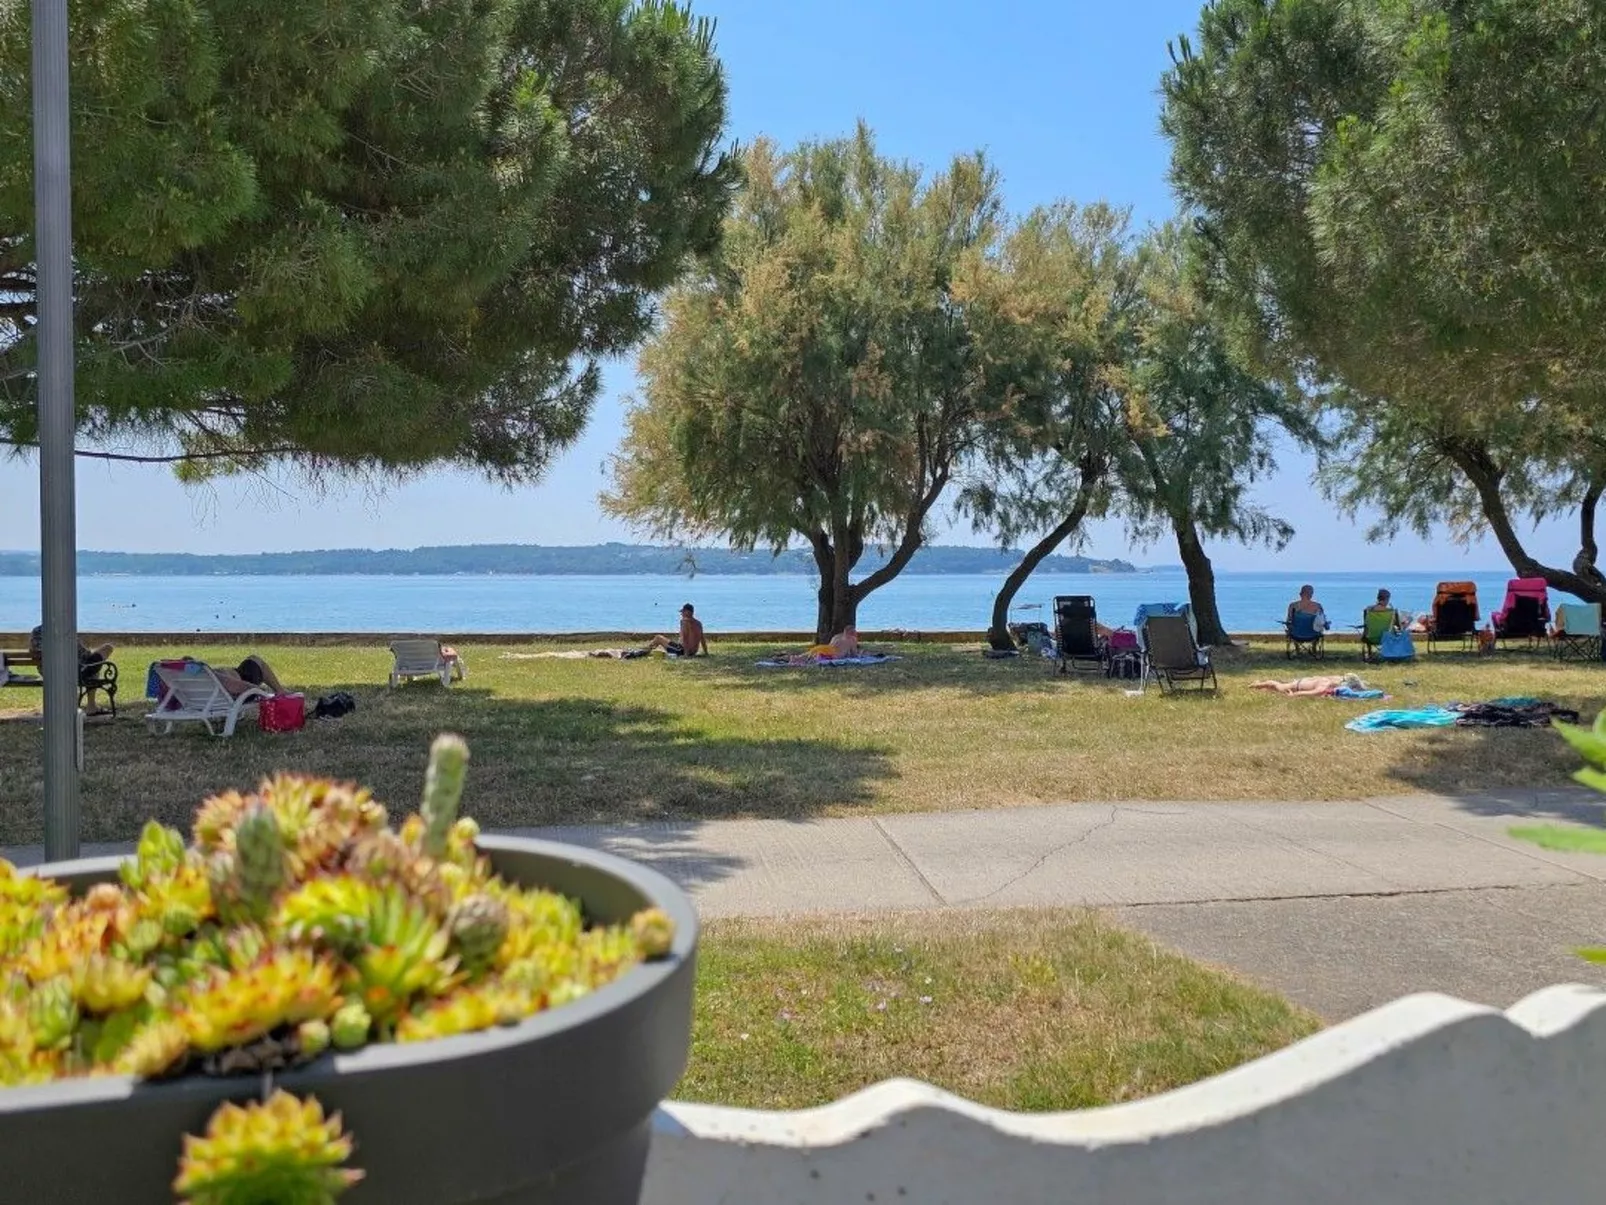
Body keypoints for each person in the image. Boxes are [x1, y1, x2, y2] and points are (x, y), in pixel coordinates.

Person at [29, 624, 116, 713]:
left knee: (93, 666)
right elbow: (83, 654)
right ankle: (91, 706)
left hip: (49, 672)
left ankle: (89, 705)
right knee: (105, 650)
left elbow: (34, 653)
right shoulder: (64, 629)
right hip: (73, 671)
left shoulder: (36, 631)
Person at [213, 654, 288, 697]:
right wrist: (259, 690)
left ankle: (280, 691)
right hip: (241, 691)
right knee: (256, 660)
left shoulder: (205, 674)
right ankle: (280, 691)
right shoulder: (206, 671)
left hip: (218, 692)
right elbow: (234, 686)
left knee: (252, 660)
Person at [1250, 673, 1365, 697]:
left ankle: (1261, 687)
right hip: (1298, 686)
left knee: (1274, 687)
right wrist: (1294, 695)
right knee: (1276, 685)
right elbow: (1312, 693)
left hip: (1305, 681)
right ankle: (1255, 685)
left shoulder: (1336, 679)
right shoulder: (1325, 686)